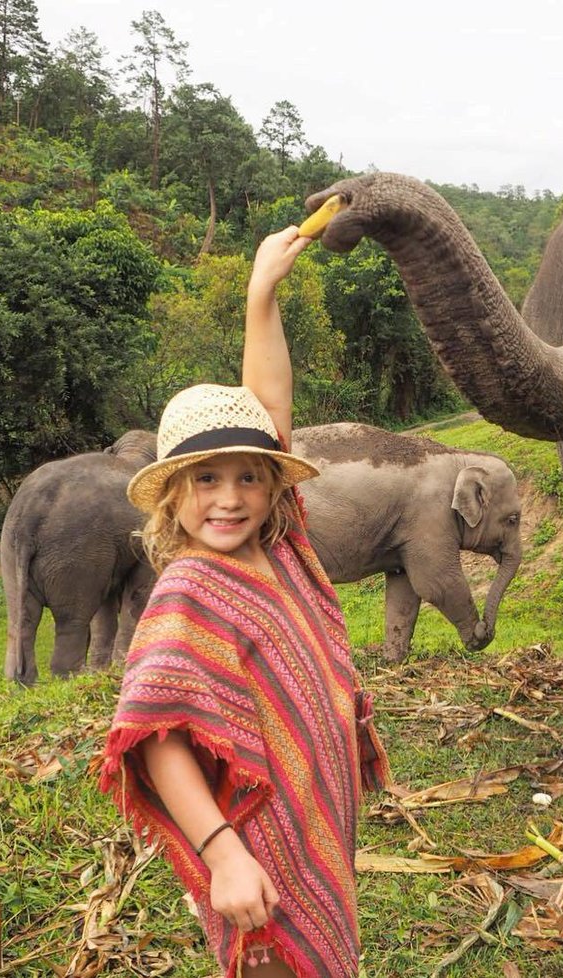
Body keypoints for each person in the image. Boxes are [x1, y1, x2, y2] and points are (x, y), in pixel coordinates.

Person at [99, 225, 390, 978]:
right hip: (252, 842)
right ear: (173, 494)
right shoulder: (191, 589)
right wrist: (221, 854)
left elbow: (268, 407)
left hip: (310, 823)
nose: (229, 499)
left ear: (273, 486)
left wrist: (262, 296)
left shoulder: (282, 546)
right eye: (206, 479)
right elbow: (157, 735)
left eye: (249, 478)